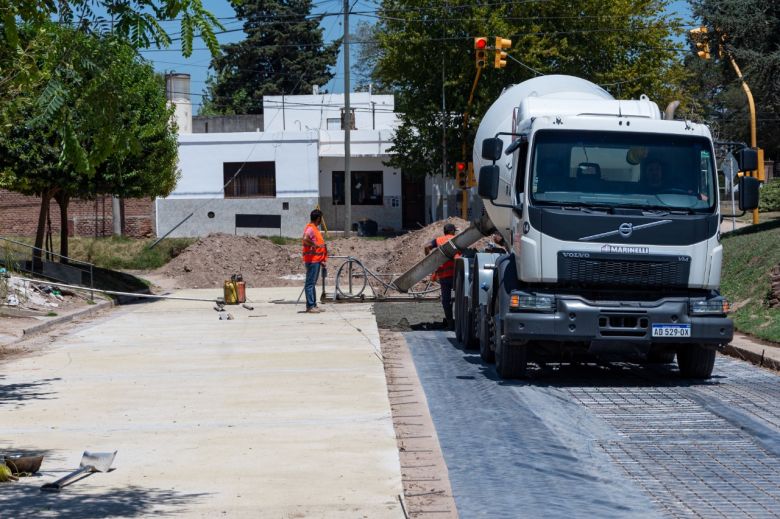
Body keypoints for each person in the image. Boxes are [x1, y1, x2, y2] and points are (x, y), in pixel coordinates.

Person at [425, 223, 460, 330]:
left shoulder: (439, 240)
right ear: (453, 231)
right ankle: (459, 321)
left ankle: (450, 323)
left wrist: (429, 258)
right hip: (456, 274)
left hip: (443, 275)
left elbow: (426, 246)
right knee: (460, 299)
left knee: (446, 300)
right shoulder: (457, 239)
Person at [302, 209, 328, 313]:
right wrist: (314, 245)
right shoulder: (311, 228)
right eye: (321, 218)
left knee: (312, 284)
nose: (321, 220)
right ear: (318, 218)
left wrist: (321, 259)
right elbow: (305, 238)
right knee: (309, 284)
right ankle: (310, 306)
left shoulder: (315, 229)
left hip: (316, 260)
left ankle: (314, 305)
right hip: (312, 261)